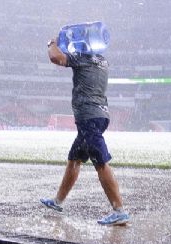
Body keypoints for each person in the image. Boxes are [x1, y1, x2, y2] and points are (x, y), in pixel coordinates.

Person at [41, 34, 129, 226]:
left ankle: (119, 210)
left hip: (89, 117)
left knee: (100, 162)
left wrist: (52, 43)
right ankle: (57, 202)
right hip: (97, 115)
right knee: (74, 159)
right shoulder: (102, 60)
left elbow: (56, 57)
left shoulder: (83, 58)